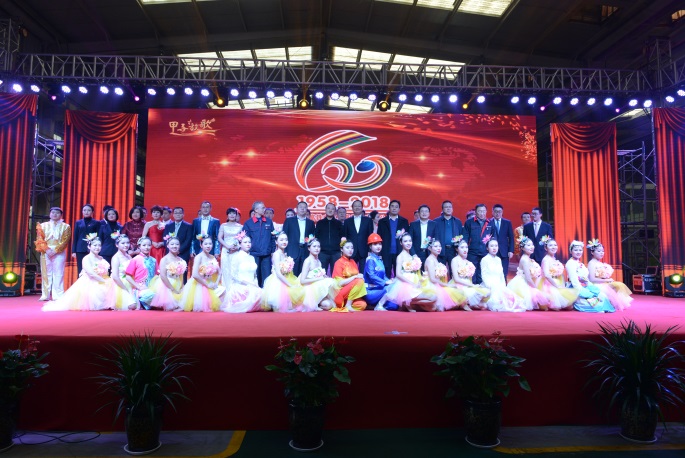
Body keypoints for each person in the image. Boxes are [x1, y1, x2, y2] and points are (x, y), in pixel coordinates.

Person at [43, 236, 115, 311]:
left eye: (99, 245)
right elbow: (91, 273)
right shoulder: (86, 258)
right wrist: (103, 281)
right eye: (95, 245)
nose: (97, 247)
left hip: (101, 279)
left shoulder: (101, 258)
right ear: (89, 246)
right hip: (90, 281)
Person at [385, 232, 436, 312]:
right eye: (405, 241)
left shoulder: (411, 256)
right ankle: (407, 302)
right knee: (433, 298)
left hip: (414, 281)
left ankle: (409, 303)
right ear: (401, 243)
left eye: (410, 241)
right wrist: (412, 284)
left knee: (432, 306)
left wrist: (419, 281)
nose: (408, 243)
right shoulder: (400, 256)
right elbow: (398, 274)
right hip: (405, 285)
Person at [565, 240, 614, 313]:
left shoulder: (580, 263)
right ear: (571, 251)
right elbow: (574, 281)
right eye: (576, 250)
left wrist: (591, 286)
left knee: (602, 297)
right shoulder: (570, 263)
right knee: (595, 304)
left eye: (580, 250)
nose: (578, 252)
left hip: (585, 286)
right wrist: (582, 291)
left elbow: (586, 278)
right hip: (576, 288)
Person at [262, 232, 306, 312]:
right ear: (276, 242)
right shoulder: (276, 254)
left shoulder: (284, 254)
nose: (284, 242)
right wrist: (289, 285)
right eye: (281, 240)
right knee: (287, 306)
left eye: (286, 239)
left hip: (287, 277)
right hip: (278, 280)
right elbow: (278, 274)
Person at [222, 233, 266, 313]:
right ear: (240, 244)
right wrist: (248, 284)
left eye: (249, 242)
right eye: (245, 242)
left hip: (253, 285)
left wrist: (255, 284)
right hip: (241, 286)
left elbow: (255, 275)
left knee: (262, 294)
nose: (248, 244)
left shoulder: (252, 257)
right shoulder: (236, 256)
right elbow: (233, 275)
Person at [480, 239, 528, 312]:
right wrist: (490, 286)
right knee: (496, 301)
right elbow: (484, 275)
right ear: (487, 248)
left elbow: (501, 275)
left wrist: (503, 286)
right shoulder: (484, 259)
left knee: (510, 299)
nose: (494, 248)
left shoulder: (498, 259)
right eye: (492, 246)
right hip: (489, 285)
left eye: (496, 246)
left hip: (499, 285)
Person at [35, 207, 71, 301]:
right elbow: (40, 239)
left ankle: (58, 295)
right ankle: (45, 295)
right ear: (50, 214)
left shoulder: (66, 226)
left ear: (61, 215)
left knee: (58, 273)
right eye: (53, 212)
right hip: (45, 251)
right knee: (46, 273)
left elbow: (65, 240)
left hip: (59, 252)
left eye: (57, 213)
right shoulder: (42, 225)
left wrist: (55, 250)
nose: (55, 214)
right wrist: (47, 250)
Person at [587, 239, 633, 311]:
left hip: (602, 283)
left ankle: (613, 304)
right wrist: (607, 280)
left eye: (602, 251)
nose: (601, 253)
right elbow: (592, 279)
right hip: (595, 285)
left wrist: (606, 278)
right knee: (614, 287)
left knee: (619, 285)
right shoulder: (591, 263)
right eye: (599, 251)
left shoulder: (600, 263)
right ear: (592, 252)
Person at [181, 236, 224, 312]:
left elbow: (220, 272)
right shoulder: (198, 257)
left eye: (210, 244)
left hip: (211, 282)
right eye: (206, 244)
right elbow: (195, 275)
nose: (208, 246)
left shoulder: (212, 257)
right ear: (201, 245)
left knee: (223, 291)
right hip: (200, 283)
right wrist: (207, 285)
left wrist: (216, 283)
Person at [506, 236, 550, 311]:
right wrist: (537, 289)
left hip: (528, 281)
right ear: (522, 248)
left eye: (532, 245)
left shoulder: (528, 258)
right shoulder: (525, 259)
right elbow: (528, 278)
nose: (531, 247)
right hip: (523, 282)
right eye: (528, 245)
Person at [423, 239, 467, 311]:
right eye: (436, 246)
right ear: (430, 248)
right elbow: (432, 279)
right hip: (432, 285)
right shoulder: (430, 260)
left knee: (459, 293)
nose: (438, 248)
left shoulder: (435, 259)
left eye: (439, 246)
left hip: (437, 284)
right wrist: (447, 285)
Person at [149, 236, 187, 311]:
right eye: (172, 244)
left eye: (177, 244)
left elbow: (181, 275)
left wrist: (182, 286)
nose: (174, 246)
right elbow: (163, 276)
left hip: (178, 283)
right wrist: (172, 289)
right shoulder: (164, 259)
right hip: (167, 285)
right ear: (168, 245)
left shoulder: (180, 259)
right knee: (173, 305)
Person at [539, 237, 578, 310]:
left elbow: (560, 274)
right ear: (546, 248)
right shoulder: (546, 259)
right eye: (551, 245)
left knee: (569, 305)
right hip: (549, 284)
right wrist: (556, 286)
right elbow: (547, 275)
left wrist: (562, 285)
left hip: (557, 281)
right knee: (557, 305)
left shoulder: (554, 259)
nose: (553, 247)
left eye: (555, 245)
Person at [243, 200, 275, 286]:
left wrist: (272, 251)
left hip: (266, 254)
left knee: (267, 277)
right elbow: (245, 239)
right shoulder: (248, 223)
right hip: (254, 254)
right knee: (255, 276)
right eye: (263, 208)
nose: (265, 209)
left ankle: (266, 293)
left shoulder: (269, 221)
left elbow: (273, 237)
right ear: (256, 210)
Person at [298, 237, 336, 311]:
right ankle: (315, 304)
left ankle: (319, 303)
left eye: (318, 246)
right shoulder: (308, 261)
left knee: (329, 304)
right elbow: (302, 281)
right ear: (309, 248)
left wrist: (326, 277)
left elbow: (321, 274)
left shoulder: (318, 261)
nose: (317, 248)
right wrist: (318, 279)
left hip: (318, 288)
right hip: (308, 288)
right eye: (314, 246)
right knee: (328, 305)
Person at [449, 239, 488, 310]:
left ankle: (469, 303)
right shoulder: (455, 260)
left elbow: (470, 279)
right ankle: (464, 303)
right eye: (462, 247)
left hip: (468, 284)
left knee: (484, 304)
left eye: (466, 247)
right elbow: (456, 279)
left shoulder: (468, 262)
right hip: (458, 284)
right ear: (457, 249)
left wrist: (472, 285)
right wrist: (472, 285)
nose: (465, 249)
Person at [330, 238, 367, 312]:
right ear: (341, 249)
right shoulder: (338, 263)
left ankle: (346, 304)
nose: (350, 250)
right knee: (359, 280)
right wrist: (354, 277)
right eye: (347, 248)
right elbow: (340, 283)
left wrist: (359, 277)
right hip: (340, 292)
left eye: (352, 248)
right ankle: (348, 305)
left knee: (363, 305)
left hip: (350, 294)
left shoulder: (353, 262)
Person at [363, 233, 397, 311]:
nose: (378, 246)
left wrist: (389, 281)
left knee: (394, 306)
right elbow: (372, 276)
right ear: (370, 246)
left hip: (380, 289)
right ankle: (379, 305)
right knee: (390, 288)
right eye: (375, 244)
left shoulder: (379, 259)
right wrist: (385, 283)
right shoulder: (370, 260)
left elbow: (383, 276)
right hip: (370, 291)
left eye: (379, 244)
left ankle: (372, 306)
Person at [377, 199, 411, 278]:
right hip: (386, 252)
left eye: (396, 207)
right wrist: (379, 253)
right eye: (392, 206)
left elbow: (407, 237)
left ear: (399, 209)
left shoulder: (404, 221)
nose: (394, 208)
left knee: (400, 275)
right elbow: (379, 237)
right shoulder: (382, 222)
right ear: (389, 208)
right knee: (386, 275)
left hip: (400, 252)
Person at [463, 203, 495, 284]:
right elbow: (465, 237)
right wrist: (465, 250)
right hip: (472, 252)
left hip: (485, 252)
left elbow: (493, 237)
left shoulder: (491, 223)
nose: (482, 213)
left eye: (484, 211)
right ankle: (472, 288)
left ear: (486, 211)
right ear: (476, 212)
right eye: (480, 211)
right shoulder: (469, 222)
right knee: (471, 273)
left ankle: (481, 289)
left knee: (483, 273)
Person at [282, 201, 316, 276]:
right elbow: (284, 236)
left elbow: (312, 238)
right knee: (292, 274)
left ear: (307, 209)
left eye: (304, 207)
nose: (302, 209)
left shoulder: (310, 223)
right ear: (296, 209)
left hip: (305, 251)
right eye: (301, 207)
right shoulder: (289, 221)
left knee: (304, 274)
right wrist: (285, 251)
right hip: (292, 251)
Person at [125, 237, 158, 309]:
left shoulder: (154, 260)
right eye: (144, 245)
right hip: (141, 288)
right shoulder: (135, 259)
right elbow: (128, 277)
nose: (146, 247)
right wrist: (138, 287)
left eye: (149, 245)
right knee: (152, 295)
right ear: (139, 246)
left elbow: (157, 276)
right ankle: (141, 302)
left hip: (153, 287)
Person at [163, 207, 193, 283]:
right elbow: (165, 239)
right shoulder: (168, 226)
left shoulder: (188, 226)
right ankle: (170, 287)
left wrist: (178, 250)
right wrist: (171, 250)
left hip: (183, 253)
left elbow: (188, 240)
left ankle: (183, 288)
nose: (178, 214)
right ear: (173, 214)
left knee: (182, 273)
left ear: (183, 214)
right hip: (170, 253)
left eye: (180, 213)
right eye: (176, 213)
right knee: (169, 272)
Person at [342, 199, 373, 273]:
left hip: (364, 251)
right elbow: (345, 237)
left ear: (362, 208)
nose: (357, 207)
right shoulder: (347, 221)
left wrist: (370, 250)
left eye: (359, 206)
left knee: (364, 273)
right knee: (351, 272)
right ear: (352, 208)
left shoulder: (368, 220)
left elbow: (370, 236)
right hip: (351, 251)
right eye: (355, 206)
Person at [108, 235, 137, 311]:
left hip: (130, 281)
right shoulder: (116, 258)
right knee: (132, 305)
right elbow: (115, 277)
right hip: (120, 283)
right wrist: (125, 289)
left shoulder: (128, 256)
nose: (126, 245)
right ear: (117, 245)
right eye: (123, 243)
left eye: (127, 243)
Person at [72, 204, 102, 275]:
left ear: (92, 212)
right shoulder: (78, 222)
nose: (86, 212)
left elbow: (98, 237)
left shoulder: (96, 223)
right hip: (80, 249)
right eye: (84, 210)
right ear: (82, 211)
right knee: (80, 268)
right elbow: (75, 237)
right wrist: (73, 251)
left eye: (89, 210)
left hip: (93, 248)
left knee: (93, 268)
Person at [314, 203, 344, 275]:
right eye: (328, 208)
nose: (330, 210)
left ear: (335, 211)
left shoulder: (339, 223)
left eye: (332, 209)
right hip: (322, 253)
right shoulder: (320, 223)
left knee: (336, 274)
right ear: (325, 210)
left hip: (336, 253)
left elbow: (342, 237)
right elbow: (316, 237)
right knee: (321, 274)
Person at [218, 207, 243, 288]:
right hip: (226, 250)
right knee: (225, 269)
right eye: (230, 213)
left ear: (236, 215)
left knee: (235, 269)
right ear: (227, 215)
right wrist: (228, 246)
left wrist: (237, 247)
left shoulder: (240, 226)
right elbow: (219, 238)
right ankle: (226, 289)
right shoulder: (223, 225)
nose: (232, 215)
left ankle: (235, 289)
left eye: (234, 213)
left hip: (236, 251)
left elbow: (243, 240)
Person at [433, 200, 463, 269]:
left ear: (452, 209)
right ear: (442, 209)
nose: (448, 208)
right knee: (440, 271)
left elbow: (461, 236)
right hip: (440, 250)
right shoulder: (436, 221)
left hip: (453, 250)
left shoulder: (457, 221)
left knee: (454, 270)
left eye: (450, 207)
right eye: (446, 207)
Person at [490, 204, 515, 278]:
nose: (497, 213)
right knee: (493, 272)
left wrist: (511, 251)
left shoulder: (507, 223)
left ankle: (504, 285)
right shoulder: (488, 222)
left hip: (504, 252)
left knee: (504, 273)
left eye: (499, 212)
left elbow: (511, 237)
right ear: (492, 212)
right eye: (496, 211)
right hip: (492, 251)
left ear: (502, 212)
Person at [409, 204, 436, 268]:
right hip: (417, 253)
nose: (424, 213)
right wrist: (413, 254)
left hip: (430, 253)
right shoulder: (413, 224)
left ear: (429, 213)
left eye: (426, 211)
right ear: (418, 213)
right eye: (422, 211)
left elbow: (436, 239)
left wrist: (434, 253)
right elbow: (410, 240)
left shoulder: (434, 224)